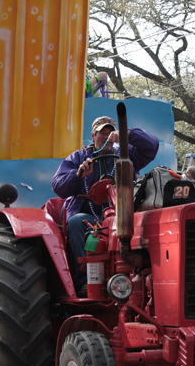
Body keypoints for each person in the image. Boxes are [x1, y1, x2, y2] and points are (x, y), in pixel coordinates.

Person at [52, 116, 159, 296]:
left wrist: (128, 135)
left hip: (122, 216)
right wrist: (78, 175)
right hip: (90, 219)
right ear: (93, 136)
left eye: (111, 133)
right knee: (77, 221)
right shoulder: (78, 157)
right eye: (102, 133)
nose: (107, 136)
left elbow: (152, 145)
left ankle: (142, 277)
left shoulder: (126, 154)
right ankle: (86, 281)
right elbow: (58, 186)